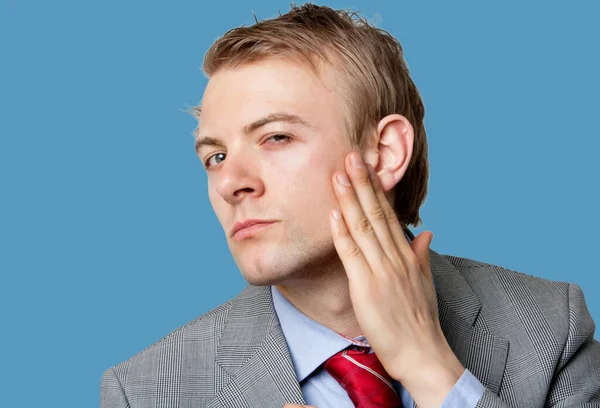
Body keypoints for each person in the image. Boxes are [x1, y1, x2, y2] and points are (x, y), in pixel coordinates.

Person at [100, 4, 600, 407]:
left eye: (275, 137)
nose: (230, 181)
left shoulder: (550, 327)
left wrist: (431, 369)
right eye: (215, 156)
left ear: (384, 154)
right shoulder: (146, 392)